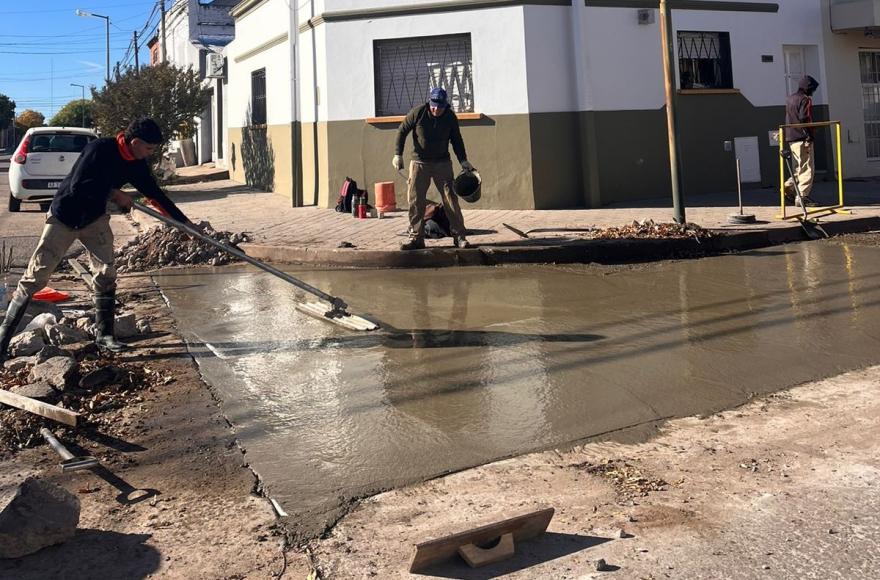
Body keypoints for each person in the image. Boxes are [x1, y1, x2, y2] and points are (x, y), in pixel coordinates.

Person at [0, 118, 196, 361]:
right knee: (36, 277)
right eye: (149, 148)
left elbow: (155, 195)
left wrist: (184, 224)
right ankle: (3, 339)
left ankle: (105, 336)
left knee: (106, 273)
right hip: (65, 217)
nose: (150, 154)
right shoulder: (99, 149)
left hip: (95, 220)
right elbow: (80, 184)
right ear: (135, 143)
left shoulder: (136, 163)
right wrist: (115, 193)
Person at [393, 87, 475, 251]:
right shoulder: (418, 113)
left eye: (439, 106)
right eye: (433, 105)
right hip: (419, 163)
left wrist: (463, 160)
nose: (436, 109)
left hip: (442, 163)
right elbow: (402, 131)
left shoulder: (450, 117)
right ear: (429, 102)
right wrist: (398, 154)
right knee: (416, 201)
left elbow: (457, 140)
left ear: (446, 105)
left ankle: (459, 237)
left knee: (450, 199)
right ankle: (417, 238)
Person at [784, 75, 820, 207]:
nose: (813, 92)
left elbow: (790, 118)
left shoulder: (790, 98)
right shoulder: (805, 99)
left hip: (791, 138)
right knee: (806, 169)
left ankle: (788, 188)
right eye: (813, 89)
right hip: (802, 138)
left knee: (798, 168)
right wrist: (810, 135)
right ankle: (802, 197)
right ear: (808, 88)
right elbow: (805, 118)